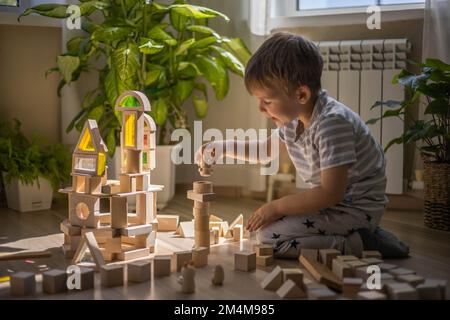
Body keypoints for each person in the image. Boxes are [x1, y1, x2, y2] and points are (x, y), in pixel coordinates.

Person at [196, 32, 408, 259]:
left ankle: (360, 242)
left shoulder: (332, 124)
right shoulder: (294, 118)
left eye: (266, 101)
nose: (261, 109)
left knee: (267, 240)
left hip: (355, 208)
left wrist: (275, 207)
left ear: (301, 94)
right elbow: (266, 151)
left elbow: (330, 193)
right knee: (262, 233)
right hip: (336, 205)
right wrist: (223, 147)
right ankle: (359, 234)